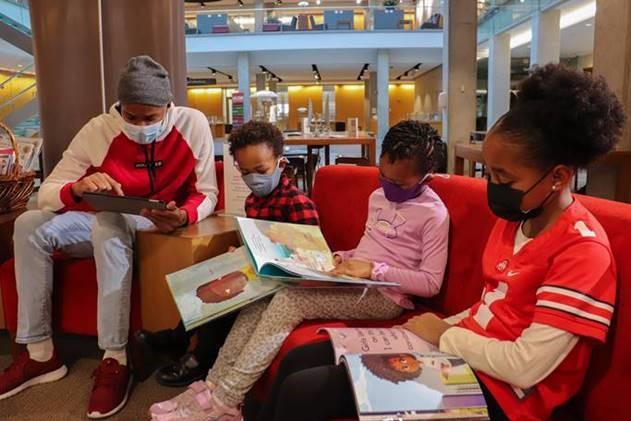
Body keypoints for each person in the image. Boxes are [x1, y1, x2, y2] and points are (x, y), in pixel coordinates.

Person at [261, 64, 626, 421]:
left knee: (305, 391)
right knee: (298, 361)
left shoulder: (583, 252)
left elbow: (526, 367)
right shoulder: (517, 220)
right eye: (489, 173)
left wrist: (444, 334)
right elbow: (489, 307)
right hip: (462, 355)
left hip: (505, 396)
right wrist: (427, 329)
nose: (492, 186)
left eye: (504, 177)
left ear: (559, 177)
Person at [148, 119, 450, 421]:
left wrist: (374, 269)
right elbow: (368, 247)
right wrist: (341, 257)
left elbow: (430, 283)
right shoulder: (377, 197)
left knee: (289, 300)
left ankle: (227, 399)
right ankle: (213, 385)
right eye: (383, 176)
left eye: (399, 184)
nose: (387, 188)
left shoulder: (434, 214)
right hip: (353, 282)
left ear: (427, 179)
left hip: (387, 298)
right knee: (261, 298)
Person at [0, 55, 219, 418]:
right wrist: (78, 187)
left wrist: (184, 214)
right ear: (119, 107)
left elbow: (207, 191)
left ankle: (115, 358)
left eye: (150, 118)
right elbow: (48, 193)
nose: (140, 126)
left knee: (109, 224)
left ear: (168, 106)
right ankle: (40, 355)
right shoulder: (98, 129)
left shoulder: (191, 123)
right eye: (131, 117)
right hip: (102, 221)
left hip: (156, 224)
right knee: (29, 224)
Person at [135, 121, 319, 388]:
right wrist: (242, 251)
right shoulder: (252, 200)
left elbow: (311, 255)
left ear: (280, 162)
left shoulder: (298, 203)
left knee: (227, 295)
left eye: (260, 170)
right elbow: (253, 238)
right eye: (245, 172)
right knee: (209, 281)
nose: (253, 178)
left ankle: (200, 357)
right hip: (257, 272)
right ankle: (177, 338)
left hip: (286, 281)